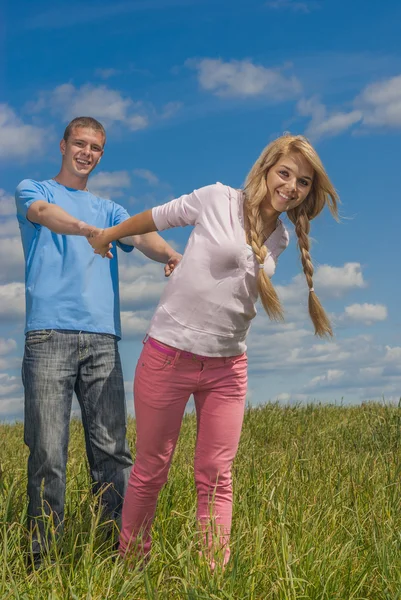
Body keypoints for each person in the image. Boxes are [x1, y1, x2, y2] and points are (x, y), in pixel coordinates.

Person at [88, 133, 339, 568]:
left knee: (217, 476)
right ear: (265, 169)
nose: (291, 187)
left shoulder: (278, 236)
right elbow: (157, 217)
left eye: (302, 182)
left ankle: (212, 576)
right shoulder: (216, 198)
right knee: (152, 468)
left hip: (228, 368)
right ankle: (131, 565)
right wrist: (109, 233)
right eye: (285, 173)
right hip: (169, 355)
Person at [15, 116, 181, 566]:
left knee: (112, 450)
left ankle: (119, 555)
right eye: (80, 144)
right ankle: (42, 560)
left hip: (102, 340)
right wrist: (90, 232)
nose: (87, 152)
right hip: (48, 336)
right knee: (48, 451)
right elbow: (45, 217)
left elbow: (141, 234)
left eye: (96, 147)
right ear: (63, 144)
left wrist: (168, 254)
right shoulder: (36, 189)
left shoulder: (109, 208)